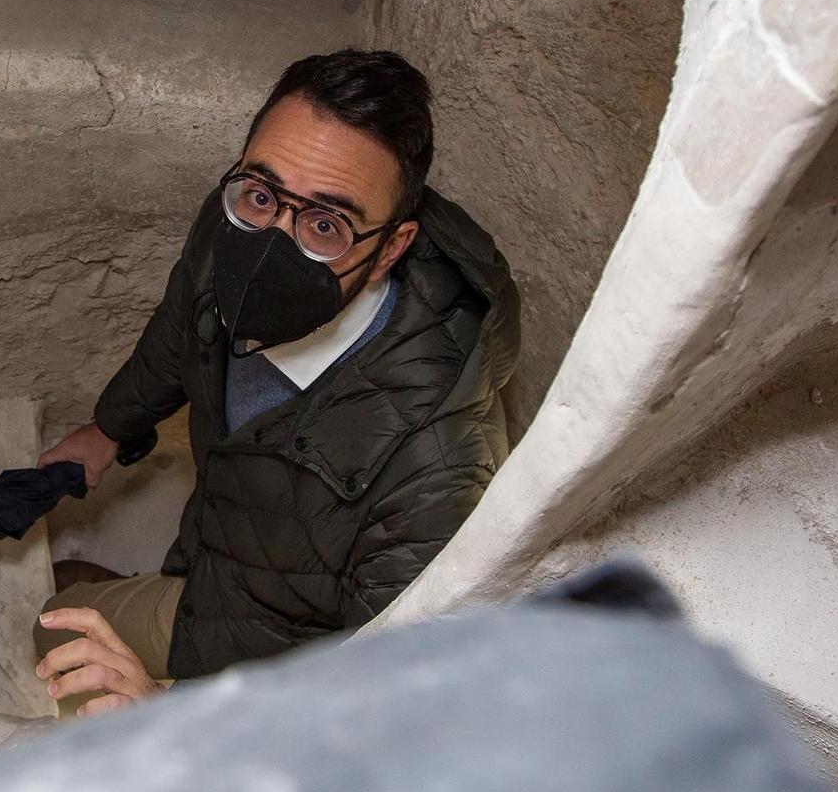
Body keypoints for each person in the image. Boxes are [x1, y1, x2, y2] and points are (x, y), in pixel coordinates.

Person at [33, 49, 521, 717]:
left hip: (279, 651)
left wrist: (164, 714)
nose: (271, 241)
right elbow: (181, 330)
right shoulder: (234, 217)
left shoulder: (435, 465)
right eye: (264, 195)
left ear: (391, 249)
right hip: (219, 555)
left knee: (53, 630)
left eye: (326, 224)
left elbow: (386, 706)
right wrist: (107, 429)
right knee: (69, 620)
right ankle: (145, 592)